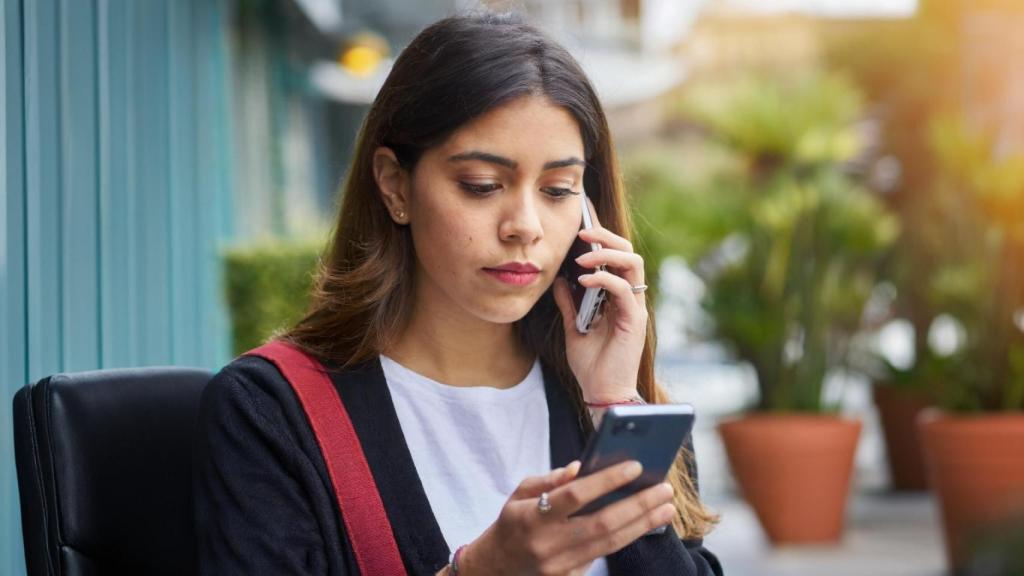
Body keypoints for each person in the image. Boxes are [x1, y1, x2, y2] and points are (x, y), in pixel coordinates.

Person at [193, 10, 722, 576]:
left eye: (558, 190)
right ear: (396, 186)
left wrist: (614, 402)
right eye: (482, 186)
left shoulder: (620, 410)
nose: (525, 225)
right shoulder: (272, 412)